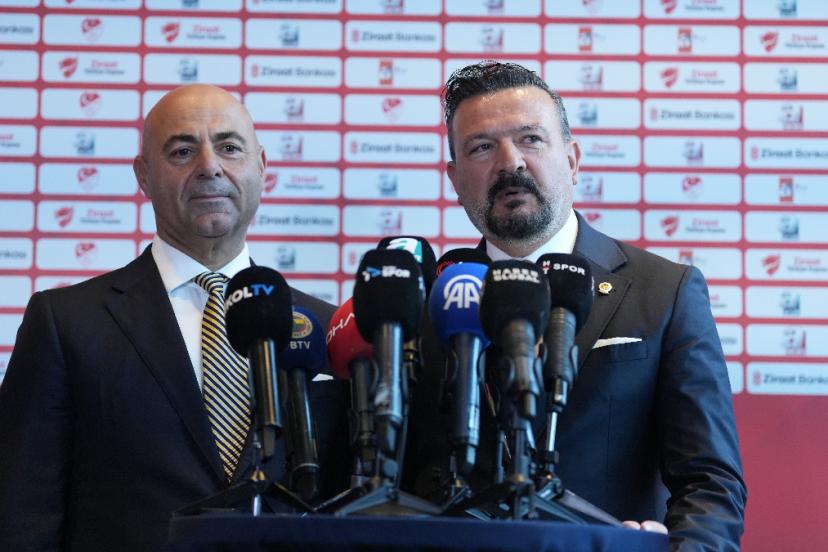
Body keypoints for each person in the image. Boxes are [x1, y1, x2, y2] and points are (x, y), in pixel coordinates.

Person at [408, 61, 746, 550]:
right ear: (455, 178)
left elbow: (711, 483)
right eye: (482, 147)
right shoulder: (425, 304)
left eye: (530, 139)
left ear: (571, 159)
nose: (510, 163)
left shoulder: (664, 291)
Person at [0, 85, 349, 551]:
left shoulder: (326, 328)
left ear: (262, 166)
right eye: (183, 151)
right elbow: (22, 517)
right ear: (143, 175)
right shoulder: (66, 323)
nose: (210, 166)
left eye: (229, 147)